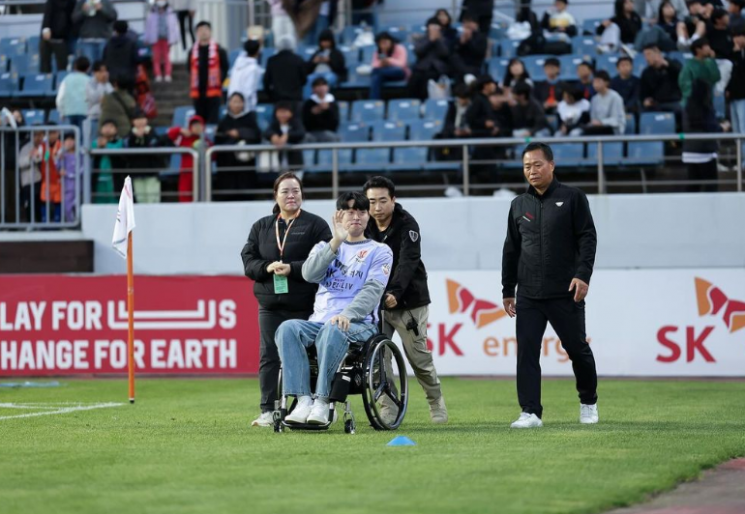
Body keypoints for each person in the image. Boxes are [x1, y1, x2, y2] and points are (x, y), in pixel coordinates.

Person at [502, 142, 599, 429]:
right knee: (527, 352)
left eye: (537, 165)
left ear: (552, 165)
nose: (532, 171)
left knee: (577, 349)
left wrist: (583, 275)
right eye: (526, 166)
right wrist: (508, 290)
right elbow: (511, 249)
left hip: (565, 291)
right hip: (529, 294)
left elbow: (587, 238)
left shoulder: (573, 198)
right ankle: (530, 412)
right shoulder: (518, 204)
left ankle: (588, 401)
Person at [275, 192, 393, 425]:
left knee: (333, 328)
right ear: (339, 215)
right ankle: (303, 400)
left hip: (359, 324)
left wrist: (347, 314)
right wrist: (335, 242)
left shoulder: (380, 251)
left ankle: (322, 402)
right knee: (287, 328)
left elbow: (372, 290)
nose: (356, 216)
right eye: (349, 211)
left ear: (368, 216)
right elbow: (309, 274)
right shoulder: (324, 246)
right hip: (319, 322)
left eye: (361, 211)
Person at [240, 172, 332, 427]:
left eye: (296, 191)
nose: (291, 195)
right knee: (268, 356)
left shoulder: (316, 225)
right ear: (276, 196)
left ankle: (311, 403)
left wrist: (292, 268)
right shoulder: (262, 226)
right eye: (285, 191)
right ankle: (267, 410)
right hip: (270, 305)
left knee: (307, 356)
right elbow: (248, 262)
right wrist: (268, 267)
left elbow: (324, 261)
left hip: (305, 304)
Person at [364, 176, 448, 424]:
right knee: (377, 358)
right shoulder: (364, 225)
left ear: (393, 200)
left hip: (409, 302)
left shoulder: (407, 224)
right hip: (374, 305)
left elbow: (408, 262)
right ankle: (387, 407)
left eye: (382, 201)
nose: (377, 207)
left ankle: (436, 402)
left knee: (418, 359)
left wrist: (395, 293)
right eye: (371, 202)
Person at [214, 92, 262, 200]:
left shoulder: (249, 119)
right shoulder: (224, 121)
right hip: (227, 164)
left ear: (243, 104)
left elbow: (257, 135)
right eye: (234, 101)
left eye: (239, 102)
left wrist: (239, 133)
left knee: (246, 190)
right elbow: (218, 139)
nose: (237, 105)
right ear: (229, 104)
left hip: (245, 164)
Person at [683, 79, 725, 192]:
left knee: (692, 187)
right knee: (711, 186)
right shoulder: (706, 107)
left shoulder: (687, 107)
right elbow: (712, 128)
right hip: (705, 152)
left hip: (689, 152)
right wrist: (723, 127)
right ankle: (711, 209)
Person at [190, 21, 229, 124]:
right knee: (199, 121)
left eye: (206, 29)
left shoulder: (219, 50)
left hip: (214, 92)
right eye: (200, 30)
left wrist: (219, 81)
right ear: (197, 33)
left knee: (213, 121)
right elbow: (189, 68)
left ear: (210, 32)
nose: (203, 32)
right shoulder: (192, 51)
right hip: (198, 92)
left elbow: (225, 68)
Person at [125, 109, 168, 203]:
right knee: (140, 200)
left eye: (142, 118)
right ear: (132, 121)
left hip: (152, 173)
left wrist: (147, 135)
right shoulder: (129, 135)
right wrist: (134, 136)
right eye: (137, 119)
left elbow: (157, 145)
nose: (140, 121)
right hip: (137, 173)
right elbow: (127, 149)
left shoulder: (152, 133)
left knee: (153, 199)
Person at [167, 114, 211, 202]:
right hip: (186, 173)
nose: (197, 128)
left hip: (202, 173)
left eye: (199, 125)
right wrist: (180, 130)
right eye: (194, 125)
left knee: (202, 194)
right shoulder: (184, 138)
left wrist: (206, 149)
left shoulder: (206, 140)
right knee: (185, 194)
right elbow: (170, 134)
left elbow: (213, 156)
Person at [409, 19, 451, 100]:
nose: (434, 29)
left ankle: (426, 102)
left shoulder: (444, 40)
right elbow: (418, 51)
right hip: (421, 68)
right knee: (414, 80)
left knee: (428, 78)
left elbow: (445, 53)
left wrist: (438, 40)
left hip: (437, 69)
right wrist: (430, 41)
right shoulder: (421, 39)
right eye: (432, 26)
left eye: (436, 27)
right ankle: (414, 103)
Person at [263, 34, 307, 107]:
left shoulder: (272, 61)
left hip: (278, 99)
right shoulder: (298, 59)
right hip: (295, 99)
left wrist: (271, 96)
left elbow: (266, 82)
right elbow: (304, 80)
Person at [144, 0, 180, 83]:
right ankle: (158, 74)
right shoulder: (151, 14)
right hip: (155, 39)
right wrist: (147, 38)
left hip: (167, 39)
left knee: (166, 57)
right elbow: (148, 27)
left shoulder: (171, 14)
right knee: (156, 57)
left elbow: (175, 27)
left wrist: (176, 38)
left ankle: (168, 74)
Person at [640, 44, 683, 115]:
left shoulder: (673, 64)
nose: (647, 58)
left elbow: (682, 75)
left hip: (674, 101)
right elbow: (643, 93)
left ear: (657, 53)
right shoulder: (646, 72)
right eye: (645, 55)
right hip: (657, 103)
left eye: (649, 54)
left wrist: (667, 65)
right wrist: (646, 100)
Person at [264, 101, 306, 171]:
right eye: (280, 112)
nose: (282, 115)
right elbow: (266, 133)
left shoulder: (295, 123)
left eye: (285, 112)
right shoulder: (275, 124)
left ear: (291, 113)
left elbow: (301, 133)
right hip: (279, 162)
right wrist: (273, 135)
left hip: (295, 161)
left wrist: (287, 135)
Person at [581, 70, 626, 135]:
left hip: (613, 128)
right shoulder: (594, 99)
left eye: (598, 81)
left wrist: (601, 122)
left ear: (606, 82)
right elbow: (593, 118)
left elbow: (616, 119)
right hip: (598, 128)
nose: (595, 84)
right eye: (594, 82)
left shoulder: (615, 97)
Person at [91, 119, 124, 204]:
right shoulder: (95, 142)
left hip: (113, 179)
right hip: (99, 178)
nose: (108, 129)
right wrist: (99, 146)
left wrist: (106, 145)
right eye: (105, 127)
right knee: (99, 203)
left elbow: (118, 150)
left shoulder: (119, 142)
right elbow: (90, 151)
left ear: (116, 130)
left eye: (111, 127)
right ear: (101, 129)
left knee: (115, 202)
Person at [679, 37, 721, 105]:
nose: (709, 49)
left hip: (707, 102)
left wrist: (712, 60)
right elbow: (684, 84)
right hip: (692, 104)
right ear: (698, 50)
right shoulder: (689, 65)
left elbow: (716, 77)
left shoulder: (709, 63)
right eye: (706, 47)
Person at [370, 32, 409, 100]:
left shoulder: (400, 48)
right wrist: (381, 63)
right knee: (376, 77)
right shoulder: (378, 51)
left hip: (399, 73)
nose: (383, 45)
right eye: (381, 43)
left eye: (385, 42)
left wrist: (389, 60)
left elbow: (402, 64)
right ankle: (374, 101)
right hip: (384, 74)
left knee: (376, 72)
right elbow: (374, 65)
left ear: (391, 41)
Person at [449, 13, 488, 84]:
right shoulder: (458, 35)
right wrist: (461, 42)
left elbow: (479, 52)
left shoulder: (481, 37)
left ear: (476, 24)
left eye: (470, 22)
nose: (468, 25)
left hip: (474, 66)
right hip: (460, 68)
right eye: (465, 23)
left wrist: (469, 40)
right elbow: (453, 51)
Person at [40, 0, 76, 73]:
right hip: (47, 38)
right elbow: (47, 15)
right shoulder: (51, 2)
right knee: (44, 65)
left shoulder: (71, 3)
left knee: (62, 66)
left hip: (62, 38)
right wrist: (46, 28)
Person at [56, 56, 91, 132]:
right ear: (88, 68)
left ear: (75, 66)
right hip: (85, 112)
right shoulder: (89, 80)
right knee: (83, 137)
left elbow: (60, 97)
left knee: (72, 137)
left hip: (69, 112)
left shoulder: (66, 79)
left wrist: (61, 112)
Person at [228, 39, 263, 114]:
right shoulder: (254, 69)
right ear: (257, 52)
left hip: (233, 103)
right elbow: (248, 90)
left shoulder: (237, 63)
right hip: (245, 107)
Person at [302, 77, 340, 143]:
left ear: (327, 87)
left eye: (323, 85)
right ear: (313, 89)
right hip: (312, 132)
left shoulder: (332, 103)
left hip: (328, 132)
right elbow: (305, 122)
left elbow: (335, 122)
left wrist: (328, 110)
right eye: (318, 85)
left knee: (332, 137)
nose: (321, 88)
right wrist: (313, 113)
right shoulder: (308, 104)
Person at [18, 129, 44, 222]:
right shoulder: (26, 148)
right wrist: (30, 157)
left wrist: (40, 157)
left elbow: (47, 159)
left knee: (39, 203)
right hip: (28, 182)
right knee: (29, 204)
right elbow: (20, 163)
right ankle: (30, 223)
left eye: (40, 135)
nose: (38, 138)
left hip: (40, 180)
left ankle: (40, 223)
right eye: (36, 135)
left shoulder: (44, 147)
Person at [728, 27, 745, 166]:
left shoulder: (738, 54)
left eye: (739, 36)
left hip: (743, 98)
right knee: (736, 131)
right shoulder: (734, 53)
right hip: (734, 96)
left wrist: (738, 55)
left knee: (743, 129)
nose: (736, 40)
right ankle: (741, 160)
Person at [57, 133, 83, 222]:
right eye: (67, 140)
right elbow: (57, 167)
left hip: (79, 185)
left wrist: (70, 174)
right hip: (67, 186)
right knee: (67, 206)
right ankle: (71, 223)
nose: (69, 142)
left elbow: (83, 168)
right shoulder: (62, 155)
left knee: (78, 205)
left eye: (72, 140)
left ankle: (79, 223)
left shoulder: (80, 154)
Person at [103, 20, 138, 85]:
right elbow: (136, 59)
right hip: (128, 75)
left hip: (112, 75)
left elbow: (104, 59)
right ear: (126, 29)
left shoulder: (108, 44)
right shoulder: (131, 43)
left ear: (115, 30)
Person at [39, 126, 62, 222]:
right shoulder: (43, 146)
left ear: (58, 133)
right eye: (50, 133)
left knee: (58, 200)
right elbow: (41, 158)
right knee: (44, 200)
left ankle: (57, 220)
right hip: (46, 179)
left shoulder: (61, 145)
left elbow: (59, 159)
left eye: (54, 133)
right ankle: (45, 220)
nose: (52, 135)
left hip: (58, 180)